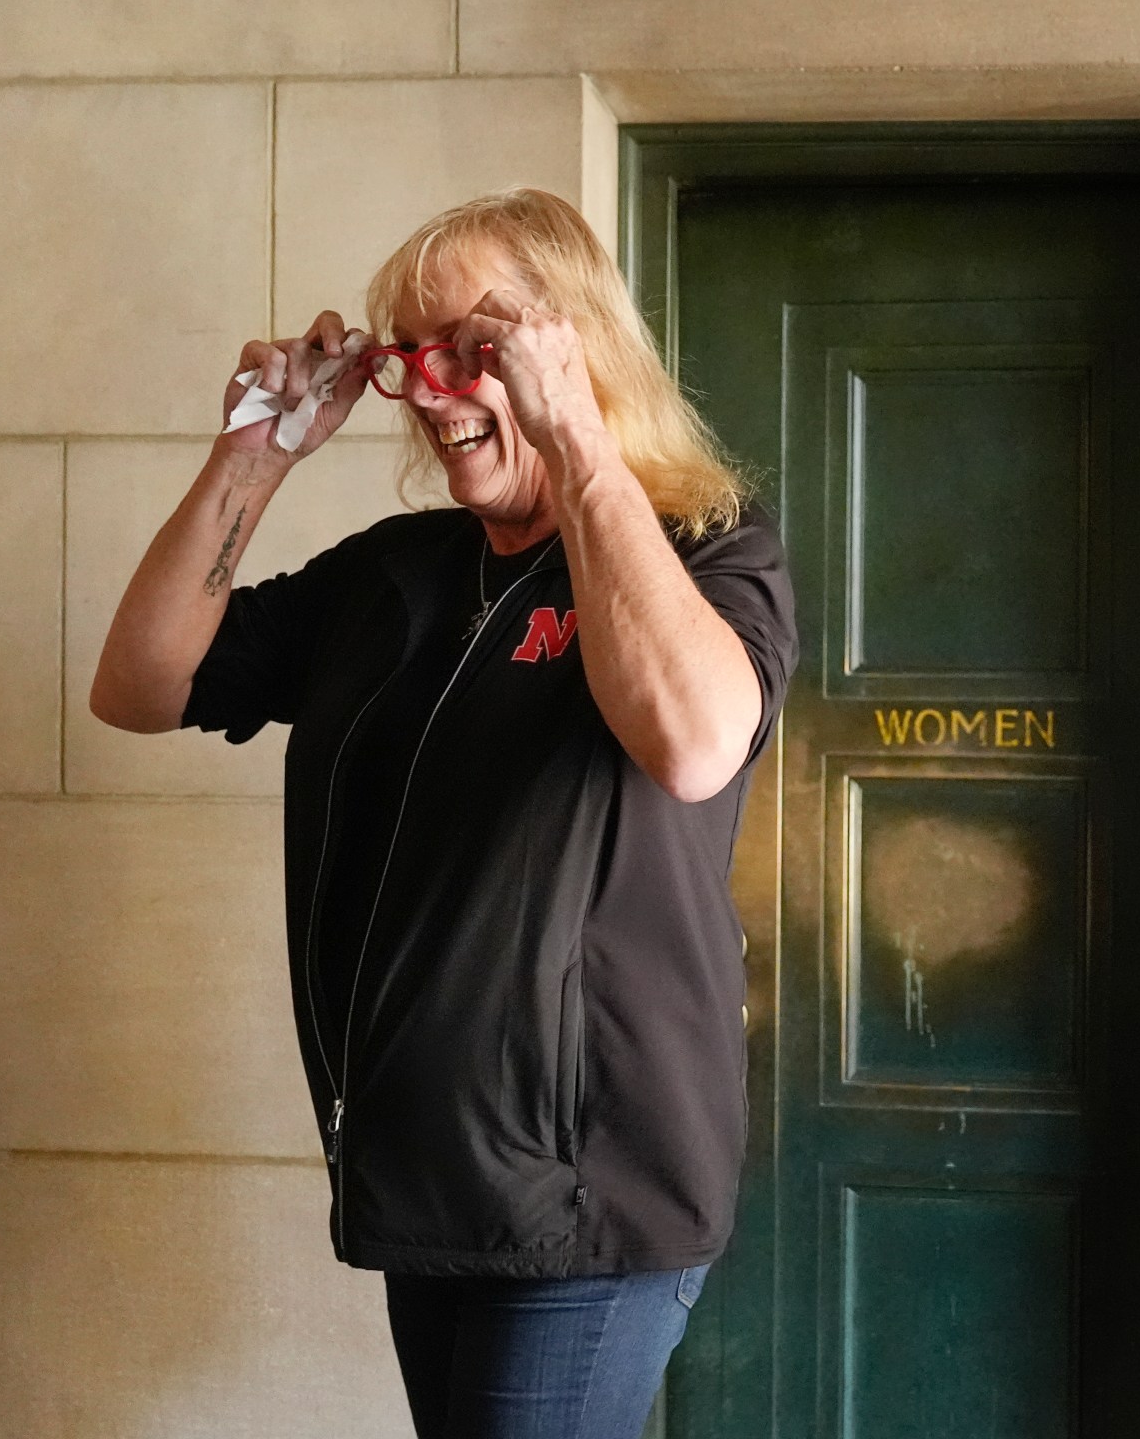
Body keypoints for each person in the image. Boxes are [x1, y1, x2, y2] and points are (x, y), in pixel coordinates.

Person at [89, 186, 797, 1439]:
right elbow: (139, 687)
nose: (431, 386)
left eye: (479, 346)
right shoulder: (398, 573)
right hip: (426, 1165)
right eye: (414, 352)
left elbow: (691, 745)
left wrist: (578, 441)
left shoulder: (703, 550)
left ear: (570, 346)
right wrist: (252, 456)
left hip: (595, 1185)